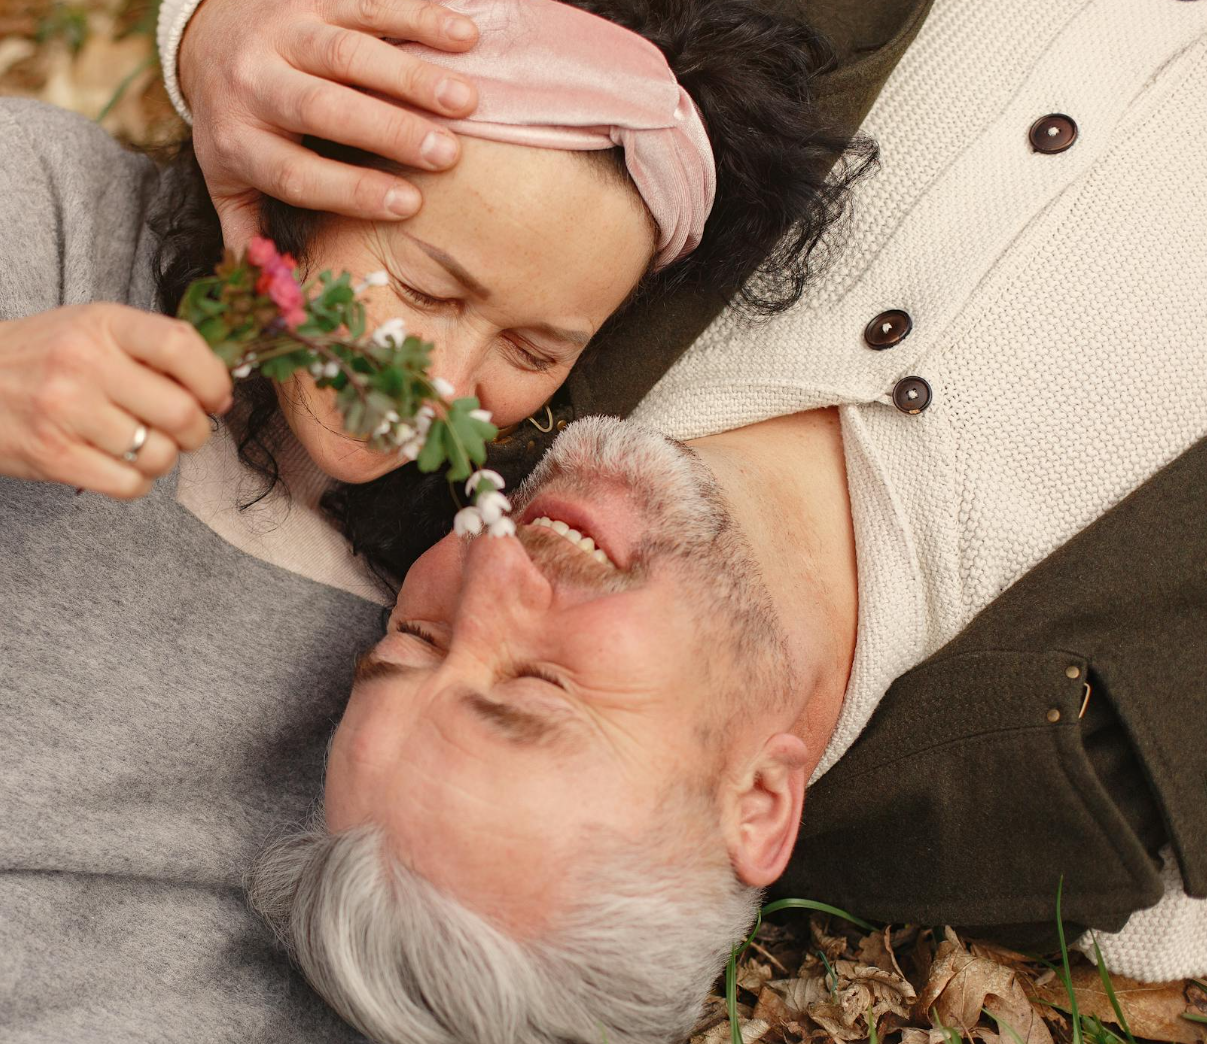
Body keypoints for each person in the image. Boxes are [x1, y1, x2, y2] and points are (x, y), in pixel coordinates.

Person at [0, 0, 872, 1039]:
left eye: (530, 348)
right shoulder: (27, 217)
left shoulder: (410, 648)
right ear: (300, 176)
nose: (446, 380)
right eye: (422, 287)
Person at [247, 0, 1207, 1039]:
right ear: (756, 802)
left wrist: (215, 33)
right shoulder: (1115, 801)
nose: (488, 571)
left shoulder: (490, 329)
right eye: (537, 686)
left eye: (414, 638)